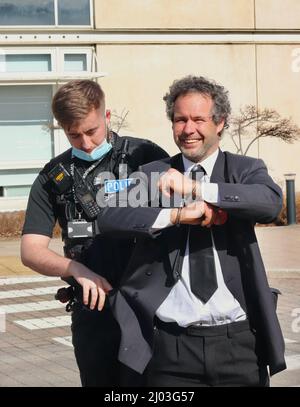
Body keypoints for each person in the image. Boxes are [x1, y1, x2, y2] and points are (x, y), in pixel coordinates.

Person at [97, 75, 286, 387]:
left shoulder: (244, 169)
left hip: (239, 343)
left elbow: (270, 202)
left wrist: (198, 188)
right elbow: (109, 214)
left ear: (220, 122)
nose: (188, 129)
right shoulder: (153, 174)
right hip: (171, 348)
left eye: (199, 119)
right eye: (180, 119)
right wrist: (176, 215)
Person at [20, 79, 168, 387]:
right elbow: (31, 250)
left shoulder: (144, 156)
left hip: (152, 309)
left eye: (92, 131)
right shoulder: (53, 178)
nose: (86, 143)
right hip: (95, 313)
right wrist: (76, 269)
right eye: (74, 135)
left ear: (107, 116)